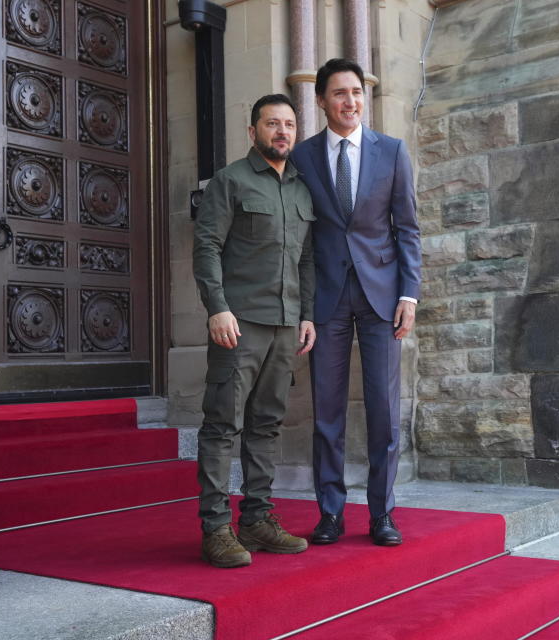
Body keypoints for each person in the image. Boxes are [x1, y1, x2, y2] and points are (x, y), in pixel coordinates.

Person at [291, 59, 421, 547]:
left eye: (357, 92)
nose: (350, 101)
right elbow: (299, 234)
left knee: (384, 412)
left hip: (382, 298)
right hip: (325, 299)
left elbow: (407, 228)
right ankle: (330, 513)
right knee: (327, 412)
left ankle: (382, 514)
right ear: (321, 100)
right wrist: (301, 305)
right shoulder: (303, 158)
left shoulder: (391, 151)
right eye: (340, 93)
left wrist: (409, 293)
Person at [192, 93, 316, 568]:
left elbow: (307, 258)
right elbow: (205, 247)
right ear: (253, 132)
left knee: (266, 425)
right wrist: (216, 308)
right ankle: (217, 529)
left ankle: (258, 520)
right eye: (271, 124)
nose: (281, 131)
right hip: (238, 325)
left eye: (288, 124)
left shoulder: (302, 191)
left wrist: (306, 314)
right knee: (223, 424)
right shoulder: (231, 181)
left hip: (286, 325)